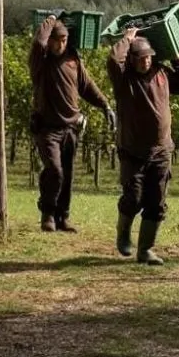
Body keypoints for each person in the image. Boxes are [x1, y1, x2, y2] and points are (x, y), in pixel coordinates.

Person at [106, 27, 179, 265]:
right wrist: (128, 38)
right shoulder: (125, 80)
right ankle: (123, 234)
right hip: (132, 150)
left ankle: (146, 249)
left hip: (161, 150)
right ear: (132, 59)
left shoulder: (162, 73)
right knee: (133, 198)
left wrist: (176, 56)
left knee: (156, 202)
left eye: (148, 57)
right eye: (140, 58)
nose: (145, 62)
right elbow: (114, 60)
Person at [29, 14, 115, 233]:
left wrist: (105, 106)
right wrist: (50, 19)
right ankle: (47, 213)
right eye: (56, 39)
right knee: (55, 170)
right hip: (47, 127)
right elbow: (38, 42)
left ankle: (62, 217)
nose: (60, 44)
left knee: (66, 174)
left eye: (64, 40)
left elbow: (87, 87)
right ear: (50, 40)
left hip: (71, 127)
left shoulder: (73, 61)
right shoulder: (41, 62)